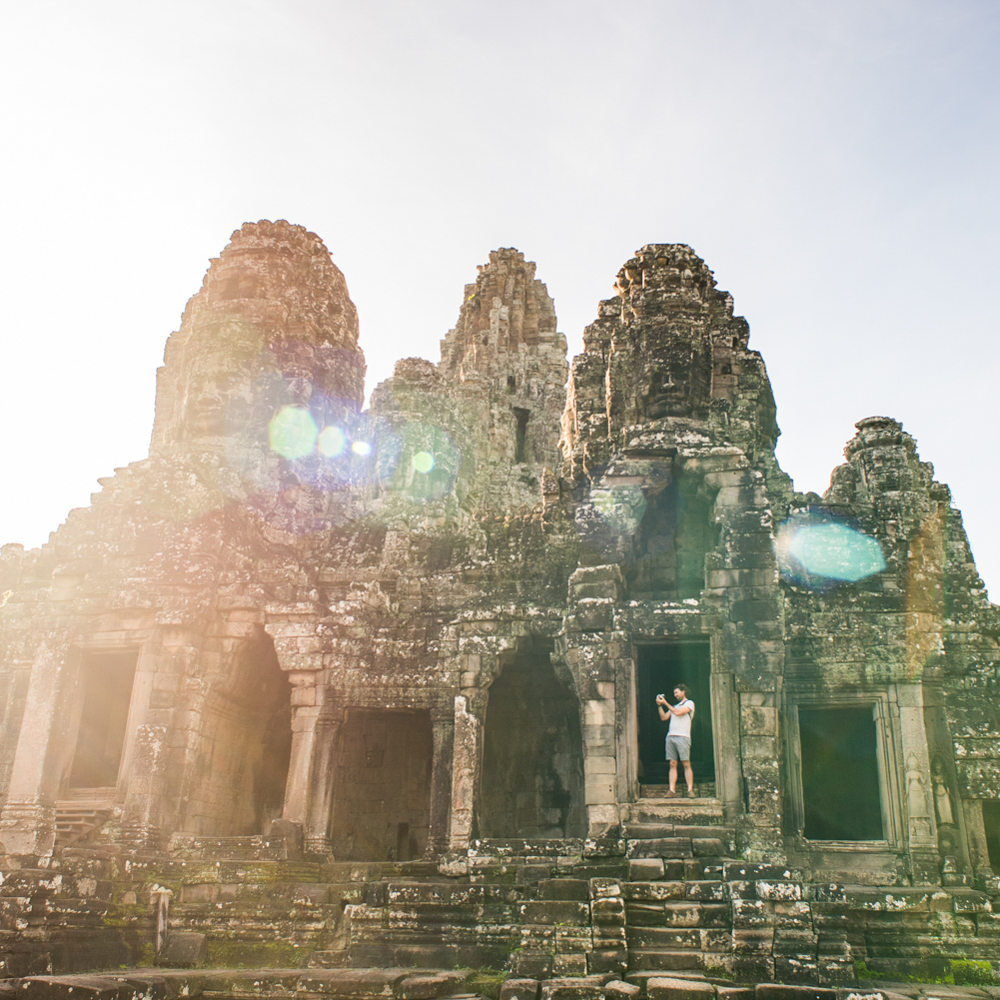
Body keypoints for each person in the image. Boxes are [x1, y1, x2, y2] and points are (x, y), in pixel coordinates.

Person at [656, 685, 695, 798]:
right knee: (672, 763)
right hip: (671, 737)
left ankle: (690, 790)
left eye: (677, 692)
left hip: (683, 737)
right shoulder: (674, 706)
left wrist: (665, 703)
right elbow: (664, 717)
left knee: (686, 763)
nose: (675, 695)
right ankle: (672, 790)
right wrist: (659, 705)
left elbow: (678, 713)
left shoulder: (689, 703)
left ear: (683, 692)